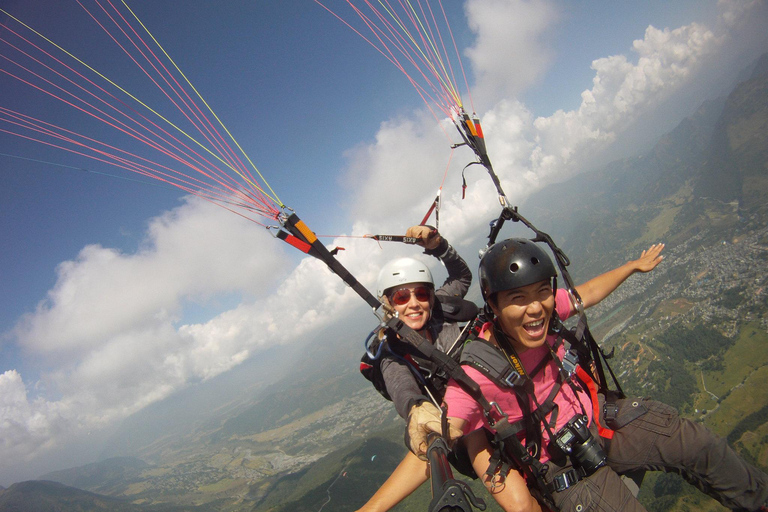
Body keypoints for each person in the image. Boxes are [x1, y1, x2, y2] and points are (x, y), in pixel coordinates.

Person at [437, 238, 768, 511]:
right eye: (518, 298)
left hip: (599, 421)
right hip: (562, 467)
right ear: (494, 305)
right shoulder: (476, 370)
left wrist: (632, 267)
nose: (535, 307)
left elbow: (588, 292)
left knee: (698, 443)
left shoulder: (544, 313)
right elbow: (445, 427)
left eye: (542, 291)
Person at [356, 225, 475, 512]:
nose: (414, 304)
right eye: (401, 297)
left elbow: (462, 276)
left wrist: (438, 245)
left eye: (421, 294)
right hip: (463, 432)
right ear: (387, 304)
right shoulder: (391, 352)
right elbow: (402, 388)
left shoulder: (439, 309)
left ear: (431, 296)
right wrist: (415, 408)